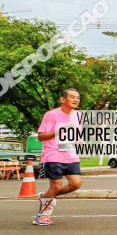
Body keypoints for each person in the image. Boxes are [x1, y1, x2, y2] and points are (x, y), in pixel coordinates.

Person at [34, 89, 82, 226]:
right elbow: (40, 136)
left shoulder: (78, 116)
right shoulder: (51, 115)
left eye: (78, 98)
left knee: (76, 184)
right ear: (63, 100)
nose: (76, 100)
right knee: (56, 185)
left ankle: (46, 196)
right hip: (53, 154)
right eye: (72, 97)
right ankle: (43, 215)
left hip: (71, 154)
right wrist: (59, 131)